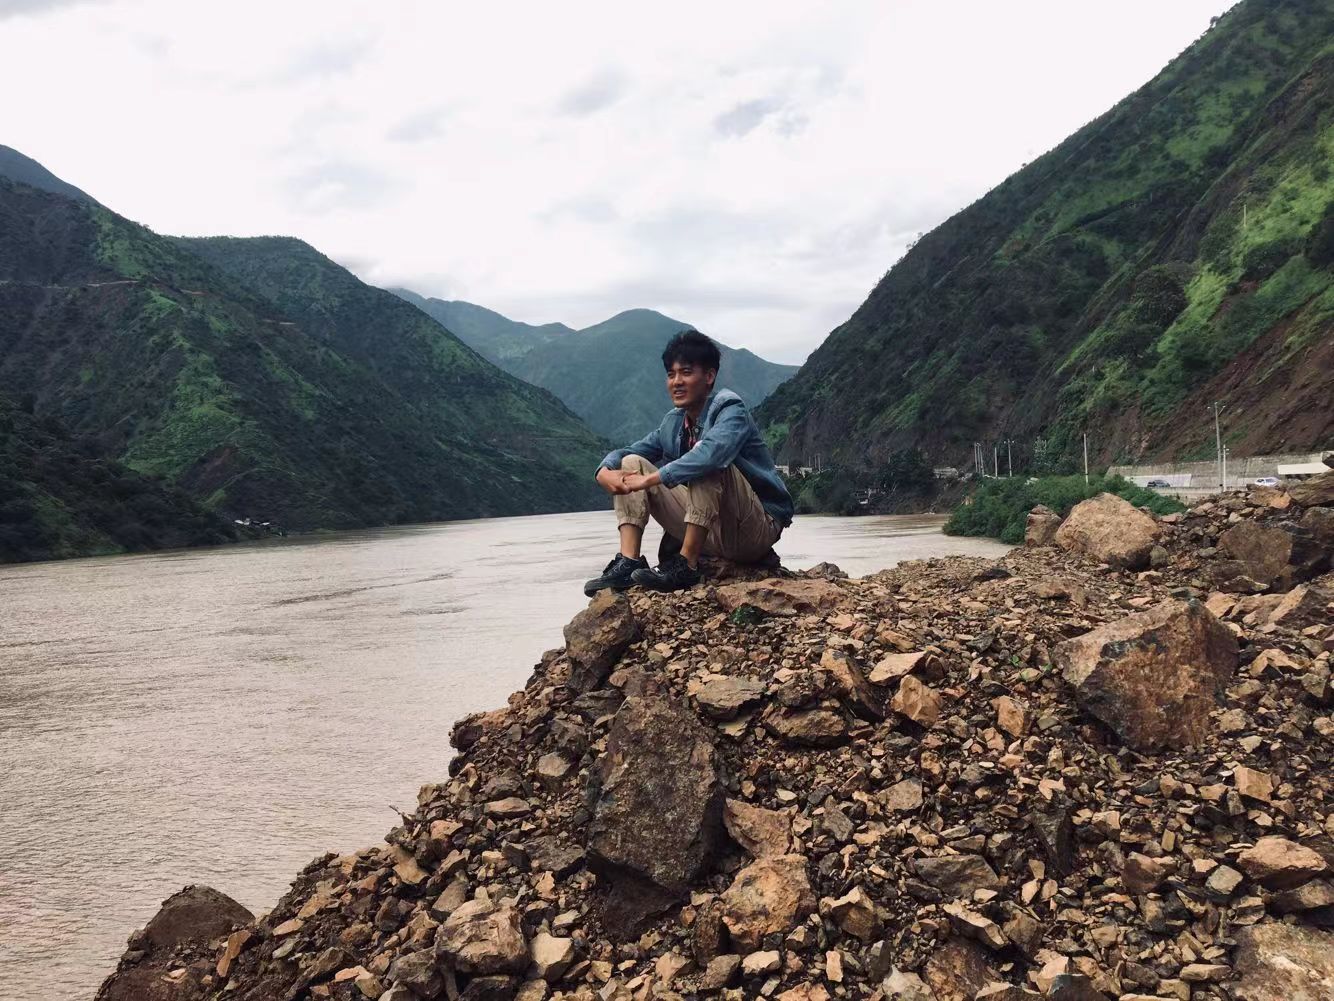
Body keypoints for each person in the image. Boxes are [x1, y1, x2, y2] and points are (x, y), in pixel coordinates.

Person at [584, 329, 794, 595]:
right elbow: (629, 452)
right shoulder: (673, 422)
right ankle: (628, 562)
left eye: (686, 372)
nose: (677, 382)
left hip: (754, 528)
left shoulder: (730, 408)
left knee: (705, 462)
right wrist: (603, 470)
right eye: (671, 374)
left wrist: (651, 479)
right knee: (631, 462)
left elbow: (711, 455)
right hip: (712, 530)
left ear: (709, 376)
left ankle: (687, 565)